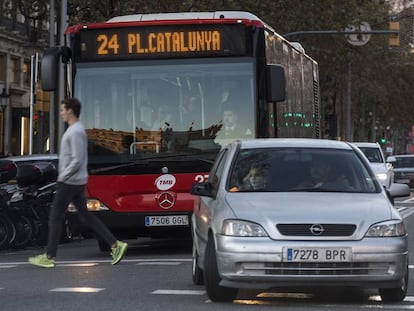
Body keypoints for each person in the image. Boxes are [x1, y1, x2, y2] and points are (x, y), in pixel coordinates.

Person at [28, 98, 128, 268]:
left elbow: (77, 159)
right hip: (76, 181)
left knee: (55, 216)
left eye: (62, 110)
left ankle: (49, 256)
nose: (61, 113)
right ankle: (115, 245)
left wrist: (63, 176)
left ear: (70, 111)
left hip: (69, 182)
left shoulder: (75, 132)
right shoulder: (77, 130)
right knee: (86, 216)